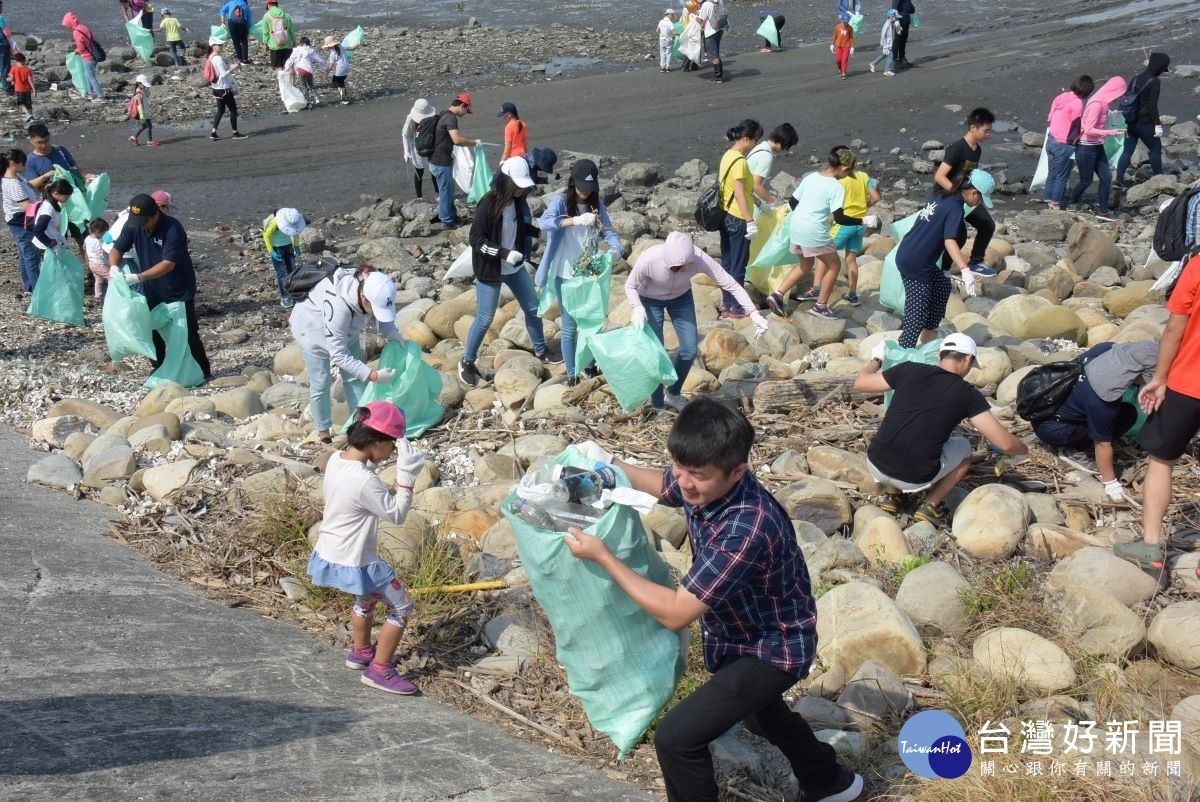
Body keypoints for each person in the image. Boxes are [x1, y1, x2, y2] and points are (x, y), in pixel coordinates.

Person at [564, 398, 864, 802]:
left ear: (737, 471)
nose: (685, 483)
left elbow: (676, 613)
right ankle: (831, 783)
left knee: (677, 738)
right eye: (679, 467)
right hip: (738, 636)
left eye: (697, 475)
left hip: (772, 649)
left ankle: (829, 782)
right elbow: (666, 486)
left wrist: (604, 557)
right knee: (763, 716)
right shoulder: (706, 485)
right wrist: (610, 468)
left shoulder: (746, 527)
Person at [308, 401, 425, 695]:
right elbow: (397, 515)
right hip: (358, 558)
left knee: (368, 595)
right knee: (403, 605)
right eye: (392, 445)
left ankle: (361, 653)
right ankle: (380, 670)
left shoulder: (337, 459)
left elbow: (364, 471)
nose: (393, 452)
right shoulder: (365, 481)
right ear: (375, 442)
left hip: (331, 552)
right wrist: (407, 478)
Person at [854, 333, 1027, 522]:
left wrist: (877, 359)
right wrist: (1023, 450)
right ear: (969, 359)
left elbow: (860, 382)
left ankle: (893, 495)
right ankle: (930, 505)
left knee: (904, 430)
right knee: (964, 449)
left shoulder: (908, 369)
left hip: (876, 462)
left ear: (940, 356)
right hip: (914, 478)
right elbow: (1006, 444)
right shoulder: (967, 394)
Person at [1120, 249, 1200, 575]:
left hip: (1188, 381)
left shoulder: (1197, 266)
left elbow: (1173, 329)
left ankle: (1151, 547)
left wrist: (1159, 378)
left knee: (1161, 461)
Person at [626, 232, 768, 410]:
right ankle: (657, 405)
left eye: (688, 265)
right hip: (650, 299)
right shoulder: (650, 259)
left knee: (690, 349)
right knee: (656, 353)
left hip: (681, 298)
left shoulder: (699, 258)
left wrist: (753, 313)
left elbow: (728, 283)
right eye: (678, 267)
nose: (685, 269)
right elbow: (630, 286)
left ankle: (673, 393)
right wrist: (637, 308)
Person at [459, 157, 555, 388]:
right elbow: (476, 239)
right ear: (507, 181)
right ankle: (467, 362)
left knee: (533, 307)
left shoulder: (518, 201)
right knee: (485, 318)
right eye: (519, 185)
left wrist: (539, 232)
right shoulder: (488, 204)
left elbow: (518, 227)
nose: (523, 189)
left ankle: (541, 350)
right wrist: (503, 253)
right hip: (491, 268)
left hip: (515, 266)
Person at [289, 265, 405, 442]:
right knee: (321, 382)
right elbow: (338, 355)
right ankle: (323, 430)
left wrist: (392, 333)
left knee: (355, 379)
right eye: (374, 308)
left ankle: (363, 425)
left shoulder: (375, 285)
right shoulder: (339, 306)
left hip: (347, 331)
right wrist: (372, 375)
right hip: (312, 332)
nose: (376, 313)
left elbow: (383, 315)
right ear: (363, 297)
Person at [108, 193, 212, 381]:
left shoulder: (173, 228)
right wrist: (114, 268)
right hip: (152, 288)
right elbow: (117, 250)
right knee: (150, 328)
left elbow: (168, 264)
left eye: (144, 221)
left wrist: (138, 276)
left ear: (155, 214)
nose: (140, 225)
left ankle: (203, 371)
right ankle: (160, 367)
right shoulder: (134, 224)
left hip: (178, 289)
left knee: (187, 332)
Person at [535, 159, 620, 384]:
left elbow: (607, 231)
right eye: (581, 185)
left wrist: (616, 248)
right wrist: (574, 220)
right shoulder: (561, 202)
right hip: (565, 274)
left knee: (591, 322)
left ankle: (589, 366)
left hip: (589, 272)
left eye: (588, 187)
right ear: (572, 182)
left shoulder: (597, 206)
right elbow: (545, 223)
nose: (584, 190)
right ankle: (572, 373)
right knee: (570, 326)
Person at [1033, 341, 1155, 491]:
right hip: (1053, 427)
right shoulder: (1103, 396)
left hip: (1051, 406)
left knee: (1127, 413)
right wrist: (1111, 484)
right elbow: (1102, 443)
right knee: (1108, 429)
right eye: (1146, 379)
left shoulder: (1107, 349)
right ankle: (1073, 450)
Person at [894, 170, 993, 348]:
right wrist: (965, 269)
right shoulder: (955, 208)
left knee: (942, 284)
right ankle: (903, 350)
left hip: (909, 253)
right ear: (973, 192)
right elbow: (950, 241)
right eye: (981, 199)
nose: (979, 203)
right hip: (917, 263)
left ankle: (929, 333)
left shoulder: (942, 196)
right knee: (917, 312)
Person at [765, 146, 854, 320]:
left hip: (797, 226)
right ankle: (820, 306)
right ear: (844, 168)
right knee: (834, 266)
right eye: (849, 171)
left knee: (805, 264)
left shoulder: (812, 176)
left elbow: (792, 202)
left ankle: (777, 295)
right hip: (813, 230)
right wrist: (864, 220)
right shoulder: (837, 187)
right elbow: (840, 218)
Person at [934, 107, 998, 276]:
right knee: (959, 235)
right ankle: (944, 271)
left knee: (987, 225)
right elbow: (940, 176)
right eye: (986, 131)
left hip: (965, 196)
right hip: (947, 197)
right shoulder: (957, 148)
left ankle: (976, 262)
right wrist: (957, 195)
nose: (988, 135)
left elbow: (971, 177)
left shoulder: (977, 150)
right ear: (972, 128)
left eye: (989, 131)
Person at [716, 119, 760, 318]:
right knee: (738, 264)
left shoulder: (728, 155)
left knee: (727, 261)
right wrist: (750, 220)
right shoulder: (741, 162)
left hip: (724, 215)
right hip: (738, 217)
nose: (756, 144)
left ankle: (726, 304)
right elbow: (741, 193)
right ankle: (736, 306)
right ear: (746, 138)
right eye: (756, 140)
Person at [1068, 76, 1126, 220]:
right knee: (1086, 181)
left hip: (1097, 146)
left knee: (1106, 177)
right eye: (1119, 94)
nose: (1119, 98)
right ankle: (1072, 202)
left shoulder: (1104, 104)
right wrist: (1110, 133)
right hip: (1086, 148)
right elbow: (1088, 129)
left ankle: (1103, 210)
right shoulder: (1096, 105)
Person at [830, 154, 881, 307]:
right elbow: (876, 197)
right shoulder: (864, 176)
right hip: (859, 225)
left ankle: (818, 288)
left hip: (844, 223)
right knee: (851, 260)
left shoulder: (840, 179)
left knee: (822, 253)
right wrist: (866, 206)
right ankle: (852, 294)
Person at [1116, 53, 1169, 187]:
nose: (1163, 72)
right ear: (1159, 67)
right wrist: (1157, 124)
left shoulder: (1135, 78)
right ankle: (1158, 179)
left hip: (1130, 122)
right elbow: (1152, 106)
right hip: (1146, 124)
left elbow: (1126, 98)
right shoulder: (1155, 82)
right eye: (1163, 69)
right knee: (1155, 149)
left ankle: (1118, 180)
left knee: (1127, 151)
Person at [1043, 75, 1095, 210]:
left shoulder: (1061, 97)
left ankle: (1048, 199)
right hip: (1064, 143)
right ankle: (1055, 203)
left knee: (1052, 173)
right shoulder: (1077, 103)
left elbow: (1050, 117)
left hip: (1051, 139)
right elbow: (1076, 126)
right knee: (1062, 176)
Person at [428, 93, 478, 229]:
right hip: (441, 162)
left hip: (435, 160)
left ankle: (451, 217)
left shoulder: (444, 113)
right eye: (467, 110)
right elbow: (456, 139)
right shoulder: (451, 118)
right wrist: (474, 143)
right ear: (462, 105)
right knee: (446, 192)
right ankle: (447, 221)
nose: (466, 113)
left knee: (447, 191)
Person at [1, 149, 43, 296]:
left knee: (25, 253)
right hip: (20, 221)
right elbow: (27, 207)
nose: (25, 166)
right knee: (31, 255)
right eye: (23, 163)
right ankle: (38, 290)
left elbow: (28, 187)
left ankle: (29, 288)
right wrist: (44, 210)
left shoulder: (16, 176)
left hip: (18, 220)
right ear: (13, 164)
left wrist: (44, 178)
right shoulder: (12, 183)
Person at [746, 122, 798, 207]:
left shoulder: (760, 146)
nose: (786, 150)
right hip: (747, 200)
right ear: (783, 142)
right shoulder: (766, 156)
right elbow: (755, 186)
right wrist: (772, 201)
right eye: (787, 146)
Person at [263, 207, 305, 308]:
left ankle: (293, 291)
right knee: (281, 273)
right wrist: (271, 251)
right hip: (277, 248)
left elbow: (295, 233)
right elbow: (266, 235)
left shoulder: (293, 221)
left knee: (292, 270)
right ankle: (284, 296)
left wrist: (296, 246)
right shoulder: (275, 222)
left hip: (288, 246)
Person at [205, 38, 247, 141]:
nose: (221, 46)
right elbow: (223, 74)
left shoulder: (211, 57)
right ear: (213, 46)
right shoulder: (218, 59)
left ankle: (213, 133)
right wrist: (232, 68)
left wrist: (231, 65)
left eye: (221, 44)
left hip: (216, 88)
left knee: (220, 110)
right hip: (224, 88)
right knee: (233, 110)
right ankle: (235, 133)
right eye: (219, 45)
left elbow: (222, 68)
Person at [61, 12, 104, 103]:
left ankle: (100, 96)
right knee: (87, 74)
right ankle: (90, 94)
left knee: (91, 76)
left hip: (88, 57)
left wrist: (77, 51)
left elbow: (81, 47)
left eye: (67, 24)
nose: (67, 26)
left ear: (69, 22)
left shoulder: (76, 32)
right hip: (94, 55)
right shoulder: (84, 27)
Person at [401, 98, 436, 202]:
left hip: (431, 146)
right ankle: (419, 196)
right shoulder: (410, 119)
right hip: (417, 149)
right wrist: (406, 152)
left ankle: (438, 193)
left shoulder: (434, 115)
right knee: (418, 172)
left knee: (434, 171)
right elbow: (405, 135)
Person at [29, 179, 73, 258]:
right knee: (48, 269)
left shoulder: (54, 203)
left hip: (52, 241)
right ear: (56, 193)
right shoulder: (48, 209)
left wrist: (61, 239)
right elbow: (38, 231)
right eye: (66, 196)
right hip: (44, 246)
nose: (67, 199)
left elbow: (55, 224)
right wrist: (50, 243)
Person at [285, 36, 326, 108]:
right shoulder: (311, 50)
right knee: (311, 84)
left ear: (301, 43)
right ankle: (317, 99)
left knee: (304, 86)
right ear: (308, 43)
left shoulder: (297, 50)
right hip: (309, 70)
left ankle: (308, 102)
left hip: (301, 70)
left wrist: (286, 68)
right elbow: (319, 59)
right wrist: (325, 67)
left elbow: (291, 59)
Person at [261, 0, 296, 74]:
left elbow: (265, 32)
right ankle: (292, 84)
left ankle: (282, 84)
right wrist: (294, 41)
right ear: (276, 4)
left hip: (275, 45)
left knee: (278, 67)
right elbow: (291, 30)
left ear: (268, 4)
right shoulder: (286, 15)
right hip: (287, 44)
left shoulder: (266, 16)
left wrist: (265, 43)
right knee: (289, 66)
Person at [697, 0, 728, 84]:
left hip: (711, 31)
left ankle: (718, 78)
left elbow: (700, 20)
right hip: (720, 29)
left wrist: (694, 17)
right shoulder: (720, 1)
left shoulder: (706, 4)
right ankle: (720, 75)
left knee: (714, 56)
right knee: (716, 52)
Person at [128, 74, 159, 147]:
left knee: (144, 125)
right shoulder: (139, 92)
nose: (145, 86)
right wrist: (142, 115)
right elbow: (139, 104)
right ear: (139, 83)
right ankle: (150, 141)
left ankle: (134, 137)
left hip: (144, 112)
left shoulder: (139, 90)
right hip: (143, 112)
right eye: (143, 84)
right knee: (149, 126)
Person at [85, 218, 111, 303]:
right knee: (112, 278)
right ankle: (112, 294)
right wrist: (108, 261)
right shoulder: (97, 242)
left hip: (92, 263)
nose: (104, 235)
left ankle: (98, 295)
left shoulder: (88, 238)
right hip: (99, 264)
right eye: (104, 233)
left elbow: (85, 249)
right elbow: (100, 254)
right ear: (98, 231)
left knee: (98, 279)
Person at [219, 0, 253, 64]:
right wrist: (249, 28)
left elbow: (222, 11)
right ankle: (245, 60)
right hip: (243, 23)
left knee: (236, 42)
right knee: (244, 41)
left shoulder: (230, 3)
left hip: (232, 23)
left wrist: (223, 22)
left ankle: (240, 59)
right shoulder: (245, 5)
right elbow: (250, 18)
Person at [870, 10, 901, 76]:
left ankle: (873, 63)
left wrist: (898, 27)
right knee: (890, 56)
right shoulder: (886, 25)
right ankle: (887, 71)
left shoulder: (892, 22)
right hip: (886, 44)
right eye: (896, 17)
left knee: (884, 55)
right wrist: (885, 46)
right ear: (890, 17)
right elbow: (882, 36)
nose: (897, 19)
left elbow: (896, 24)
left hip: (889, 43)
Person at [324, 36, 350, 104]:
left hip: (340, 69)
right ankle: (344, 99)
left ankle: (340, 90)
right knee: (341, 81)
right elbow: (351, 48)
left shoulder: (332, 54)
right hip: (347, 67)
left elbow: (330, 66)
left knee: (335, 81)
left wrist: (326, 73)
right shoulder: (340, 46)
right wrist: (358, 44)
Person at [9, 52, 34, 124]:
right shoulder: (28, 69)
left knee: (20, 103)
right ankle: (31, 118)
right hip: (27, 90)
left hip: (19, 89)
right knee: (28, 104)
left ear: (16, 61)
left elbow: (11, 78)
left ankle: (28, 115)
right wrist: (34, 89)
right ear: (24, 60)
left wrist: (8, 80)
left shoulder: (14, 68)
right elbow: (30, 80)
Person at [889, 0, 915, 68]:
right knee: (898, 39)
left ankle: (902, 58)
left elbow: (910, 6)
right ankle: (894, 60)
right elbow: (894, 7)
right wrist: (896, 20)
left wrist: (912, 8)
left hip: (906, 17)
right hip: (900, 17)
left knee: (904, 39)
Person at [831, 13, 854, 79]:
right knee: (838, 60)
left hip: (847, 46)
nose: (845, 23)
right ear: (841, 20)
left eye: (846, 22)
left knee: (844, 60)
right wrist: (832, 44)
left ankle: (843, 73)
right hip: (838, 46)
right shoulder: (837, 27)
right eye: (844, 22)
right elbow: (835, 36)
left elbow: (851, 38)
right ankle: (840, 69)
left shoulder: (850, 28)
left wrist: (852, 47)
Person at [0, 0, 13, 96]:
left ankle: (2, 83)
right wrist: (13, 44)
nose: (1, 9)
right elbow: (6, 33)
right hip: (2, 43)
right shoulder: (0, 18)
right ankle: (7, 87)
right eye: (0, 7)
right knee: (5, 66)